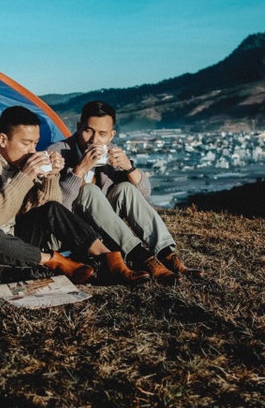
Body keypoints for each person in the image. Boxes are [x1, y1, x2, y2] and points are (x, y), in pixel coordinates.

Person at [0, 105, 148, 285]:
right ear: (3, 140)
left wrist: (51, 176)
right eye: (26, 143)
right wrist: (25, 176)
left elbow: (52, 206)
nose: (32, 151)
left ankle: (109, 259)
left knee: (53, 209)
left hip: (21, 233)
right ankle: (56, 261)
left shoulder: (23, 163)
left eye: (35, 143)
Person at [48, 100, 202, 285]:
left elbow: (144, 194)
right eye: (89, 130)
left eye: (102, 134)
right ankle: (142, 258)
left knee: (125, 188)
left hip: (105, 225)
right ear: (79, 127)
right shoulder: (58, 153)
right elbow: (55, 208)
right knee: (88, 190)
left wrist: (129, 168)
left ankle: (168, 255)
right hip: (75, 231)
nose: (94, 140)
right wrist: (79, 171)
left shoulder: (112, 153)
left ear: (111, 135)